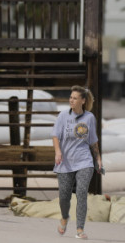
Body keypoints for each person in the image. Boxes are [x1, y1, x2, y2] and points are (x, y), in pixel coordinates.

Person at [52, 85, 102, 239]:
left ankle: (80, 229)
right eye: (70, 97)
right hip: (65, 162)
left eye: (74, 98)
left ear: (83, 101)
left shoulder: (89, 118)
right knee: (64, 196)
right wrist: (58, 151)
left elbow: (93, 141)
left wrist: (98, 159)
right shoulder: (62, 116)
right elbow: (55, 135)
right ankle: (65, 217)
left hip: (84, 161)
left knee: (81, 193)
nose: (71, 100)